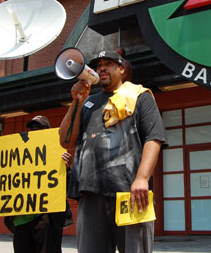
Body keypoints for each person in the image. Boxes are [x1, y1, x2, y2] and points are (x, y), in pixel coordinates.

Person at [59, 50, 166, 253]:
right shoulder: (88, 103)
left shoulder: (140, 97)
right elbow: (66, 140)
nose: (101, 68)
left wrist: (142, 177)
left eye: (108, 64)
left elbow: (154, 137)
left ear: (121, 69)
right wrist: (76, 101)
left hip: (129, 192)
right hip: (90, 193)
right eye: (98, 66)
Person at [6, 115, 73, 253]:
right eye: (32, 128)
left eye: (39, 127)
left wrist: (67, 169)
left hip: (47, 219)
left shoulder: (58, 154)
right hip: (20, 219)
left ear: (48, 131)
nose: (34, 130)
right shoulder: (18, 155)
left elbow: (70, 187)